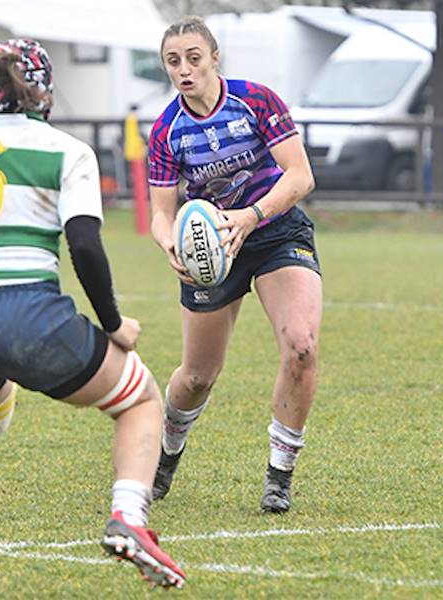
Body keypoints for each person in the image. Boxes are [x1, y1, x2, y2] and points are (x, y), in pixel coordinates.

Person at [0, 38, 185, 589]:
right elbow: (86, 246)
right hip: (28, 313)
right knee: (141, 399)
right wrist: (115, 324)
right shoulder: (66, 151)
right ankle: (129, 517)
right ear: (44, 89)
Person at [147, 17, 322, 514]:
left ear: (214, 58)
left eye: (193, 58)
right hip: (213, 252)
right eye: (173, 61)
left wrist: (251, 216)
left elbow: (300, 175)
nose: (184, 70)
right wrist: (171, 246)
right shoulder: (167, 131)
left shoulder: (256, 100)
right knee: (198, 376)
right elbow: (161, 214)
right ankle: (166, 453)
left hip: (274, 232)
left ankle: (279, 475)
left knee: (302, 347)